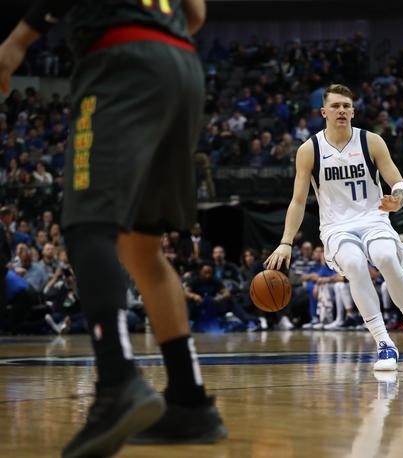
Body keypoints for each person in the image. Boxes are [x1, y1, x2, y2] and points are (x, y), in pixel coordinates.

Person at [0, 1, 226, 456]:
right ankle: (188, 400)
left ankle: (117, 379)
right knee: (142, 247)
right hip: (182, 66)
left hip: (122, 62)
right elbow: (196, 14)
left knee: (88, 223)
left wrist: (18, 40)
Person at [265, 83, 403, 371]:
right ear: (323, 111)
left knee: (387, 258)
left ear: (353, 111)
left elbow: (399, 183)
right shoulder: (309, 149)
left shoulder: (371, 141)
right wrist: (286, 241)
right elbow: (298, 201)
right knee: (354, 265)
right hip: (336, 227)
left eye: (346, 106)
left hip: (373, 218)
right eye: (336, 106)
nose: (341, 110)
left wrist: (398, 199)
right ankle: (384, 343)